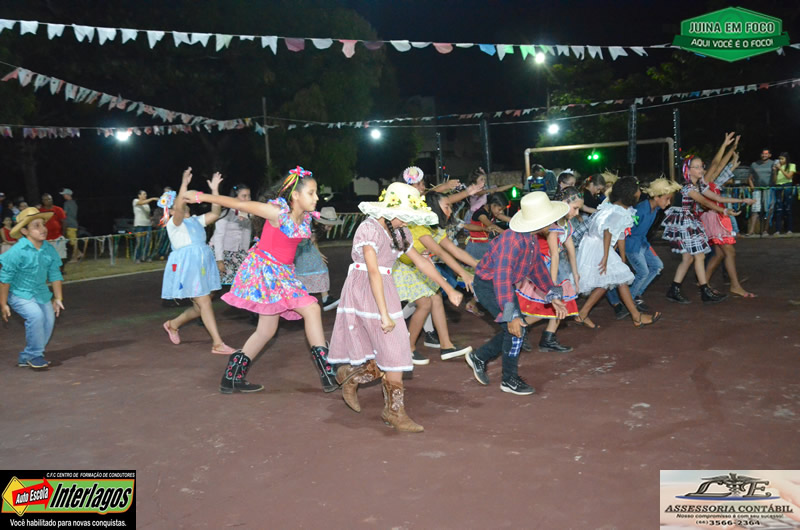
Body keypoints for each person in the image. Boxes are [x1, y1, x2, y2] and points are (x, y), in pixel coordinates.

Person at [186, 166, 339, 395]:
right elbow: (239, 204)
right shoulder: (276, 212)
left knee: (266, 331)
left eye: (316, 193)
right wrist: (201, 196)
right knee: (312, 308)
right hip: (265, 272)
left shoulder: (304, 218)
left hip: (283, 274)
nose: (316, 198)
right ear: (296, 195)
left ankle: (232, 377)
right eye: (311, 193)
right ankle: (327, 371)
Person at [328, 182, 463, 432]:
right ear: (391, 210)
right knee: (393, 346)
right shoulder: (369, 229)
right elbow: (373, 271)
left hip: (385, 288)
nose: (408, 220)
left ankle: (358, 382)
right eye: (405, 215)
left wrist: (448, 287)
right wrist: (384, 314)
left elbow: (421, 263)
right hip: (365, 290)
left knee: (394, 349)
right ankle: (386, 405)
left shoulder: (400, 231)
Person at [464, 191, 569, 396]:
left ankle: (479, 357)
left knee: (515, 330)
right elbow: (501, 279)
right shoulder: (512, 242)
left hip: (501, 286)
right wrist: (510, 315)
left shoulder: (530, 239)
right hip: (489, 286)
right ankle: (508, 380)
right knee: (516, 328)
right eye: (551, 220)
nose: (554, 224)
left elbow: (537, 269)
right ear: (540, 222)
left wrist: (553, 295)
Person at [393, 191, 474, 364]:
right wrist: (463, 273)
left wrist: (477, 266)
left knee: (435, 297)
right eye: (447, 207)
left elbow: (455, 251)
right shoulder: (420, 227)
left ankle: (446, 346)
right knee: (425, 304)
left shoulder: (435, 229)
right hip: (405, 267)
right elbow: (440, 253)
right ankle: (408, 349)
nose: (450, 211)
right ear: (434, 208)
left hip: (418, 266)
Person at [161, 169, 236, 356]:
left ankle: (173, 324)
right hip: (187, 266)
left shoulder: (196, 220)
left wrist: (215, 190)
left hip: (201, 265)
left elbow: (215, 212)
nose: (183, 203)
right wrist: (184, 185)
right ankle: (217, 343)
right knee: (204, 302)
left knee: (199, 306)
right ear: (171, 210)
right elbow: (180, 208)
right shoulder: (174, 224)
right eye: (179, 203)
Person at [574, 177, 662, 329]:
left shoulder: (616, 208)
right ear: (630, 194)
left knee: (609, 280)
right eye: (637, 190)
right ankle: (636, 317)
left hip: (598, 244)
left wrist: (622, 258)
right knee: (617, 279)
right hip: (599, 246)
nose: (640, 193)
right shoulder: (619, 212)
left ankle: (582, 314)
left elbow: (620, 235)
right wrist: (606, 257)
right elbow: (608, 231)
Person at [662, 152, 740, 304]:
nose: (701, 170)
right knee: (698, 256)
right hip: (683, 221)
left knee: (689, 258)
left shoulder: (699, 185)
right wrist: (723, 210)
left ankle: (675, 289)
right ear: (688, 170)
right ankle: (704, 291)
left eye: (701, 166)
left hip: (688, 220)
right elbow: (705, 201)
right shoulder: (688, 187)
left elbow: (717, 198)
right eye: (696, 167)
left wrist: (741, 200)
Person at [515, 186, 583, 352]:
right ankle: (520, 327)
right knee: (546, 305)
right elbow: (554, 255)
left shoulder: (566, 224)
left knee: (560, 304)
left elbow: (570, 249)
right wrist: (550, 285)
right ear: (564, 203)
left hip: (556, 268)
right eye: (575, 208)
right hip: (544, 267)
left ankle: (547, 337)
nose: (577, 213)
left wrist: (575, 273)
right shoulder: (551, 224)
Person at [0, 207, 65, 370]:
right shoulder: (17, 251)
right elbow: (5, 279)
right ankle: (35, 355)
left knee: (48, 322)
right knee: (36, 316)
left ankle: (27, 356)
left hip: (41, 293)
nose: (43, 229)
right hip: (19, 294)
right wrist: (3, 303)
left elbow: (55, 273)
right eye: (36, 226)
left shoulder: (48, 249)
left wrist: (58, 298)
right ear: (24, 231)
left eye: (43, 224)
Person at [294, 206, 342, 311]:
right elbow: (299, 240)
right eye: (328, 226)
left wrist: (318, 252)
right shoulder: (307, 222)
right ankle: (305, 298)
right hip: (300, 250)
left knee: (321, 266)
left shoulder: (316, 227)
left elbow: (314, 240)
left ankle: (325, 298)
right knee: (308, 271)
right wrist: (307, 239)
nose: (329, 229)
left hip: (308, 249)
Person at [210, 183, 252, 286]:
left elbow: (246, 234)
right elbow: (219, 236)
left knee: (238, 284)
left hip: (237, 253)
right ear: (235, 198)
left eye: (249, 196)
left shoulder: (248, 214)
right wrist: (219, 260)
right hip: (222, 252)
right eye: (244, 196)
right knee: (217, 285)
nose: (247, 199)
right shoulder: (226, 213)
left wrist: (244, 254)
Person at [465, 192, 511, 261]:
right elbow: (492, 226)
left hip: (485, 245)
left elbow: (509, 219)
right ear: (493, 205)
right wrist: (509, 234)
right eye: (499, 209)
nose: (501, 212)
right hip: (476, 247)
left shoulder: (492, 211)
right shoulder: (481, 214)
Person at [748, 148, 777, 236]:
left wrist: (775, 171)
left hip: (768, 189)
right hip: (757, 189)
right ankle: (751, 231)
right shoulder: (754, 164)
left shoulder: (773, 163)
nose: (764, 155)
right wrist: (753, 188)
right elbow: (750, 178)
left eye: (766, 153)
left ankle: (765, 230)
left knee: (768, 210)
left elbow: (775, 180)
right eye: (763, 153)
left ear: (770, 155)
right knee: (755, 209)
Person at [773, 152, 796, 235]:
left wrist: (781, 169)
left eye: (782, 158)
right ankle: (778, 230)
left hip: (787, 185)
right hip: (778, 186)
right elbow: (774, 180)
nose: (780, 160)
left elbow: (789, 176)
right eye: (779, 158)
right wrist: (775, 171)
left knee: (788, 208)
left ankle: (789, 229)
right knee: (778, 208)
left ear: (786, 159)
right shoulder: (777, 167)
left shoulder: (792, 165)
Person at [133, 190, 159, 263]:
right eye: (144, 194)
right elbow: (141, 203)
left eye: (146, 194)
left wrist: (151, 219)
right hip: (139, 225)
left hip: (147, 225)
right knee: (140, 242)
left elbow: (147, 214)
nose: (145, 195)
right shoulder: (135, 201)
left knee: (148, 242)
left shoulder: (147, 205)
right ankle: (137, 257)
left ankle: (146, 256)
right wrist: (152, 199)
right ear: (139, 195)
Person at [60, 188, 81, 263]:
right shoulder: (74, 203)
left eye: (64, 194)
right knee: (72, 241)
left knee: (73, 242)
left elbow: (64, 214)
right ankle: (79, 253)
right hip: (74, 223)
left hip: (70, 224)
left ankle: (75, 258)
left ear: (67, 195)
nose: (63, 196)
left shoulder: (67, 203)